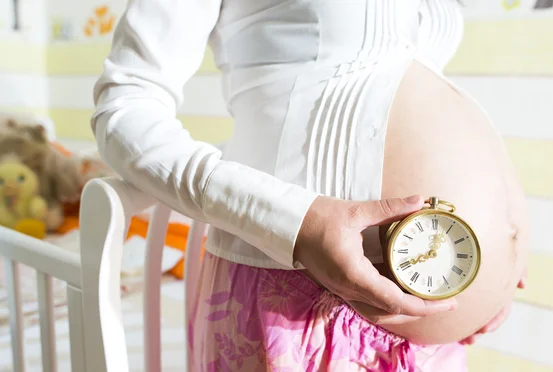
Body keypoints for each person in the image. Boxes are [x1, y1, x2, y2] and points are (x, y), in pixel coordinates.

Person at [92, 0, 529, 370]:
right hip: (302, 307)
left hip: (437, 315)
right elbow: (126, 109)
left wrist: (496, 260)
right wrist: (296, 223)